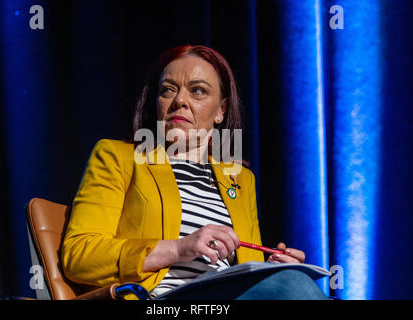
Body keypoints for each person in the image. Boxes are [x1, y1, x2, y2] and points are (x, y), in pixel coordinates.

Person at [61, 45, 327, 300]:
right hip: (158, 298)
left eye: (197, 91)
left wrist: (272, 269)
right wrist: (177, 248)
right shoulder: (119, 157)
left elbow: (247, 265)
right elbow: (79, 255)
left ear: (221, 111)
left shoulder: (241, 179)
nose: (180, 101)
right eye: (168, 90)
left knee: (293, 283)